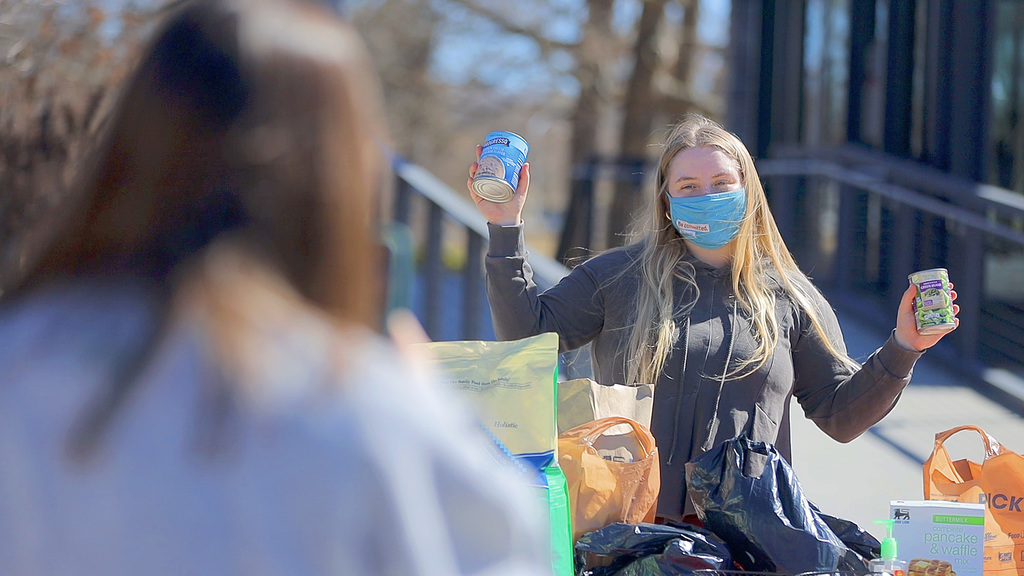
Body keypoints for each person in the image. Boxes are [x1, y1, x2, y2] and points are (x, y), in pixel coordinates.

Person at [0, 1, 551, 574]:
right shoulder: (364, 410)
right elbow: (505, 549)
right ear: (338, 172)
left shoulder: (18, 363)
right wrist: (426, 401)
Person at [468, 113, 959, 523]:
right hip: (630, 533)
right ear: (667, 198)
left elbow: (841, 415)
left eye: (722, 183)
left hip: (749, 537)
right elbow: (525, 336)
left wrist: (904, 346)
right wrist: (505, 226)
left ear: (748, 190)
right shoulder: (616, 277)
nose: (707, 195)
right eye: (689, 185)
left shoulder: (790, 297)